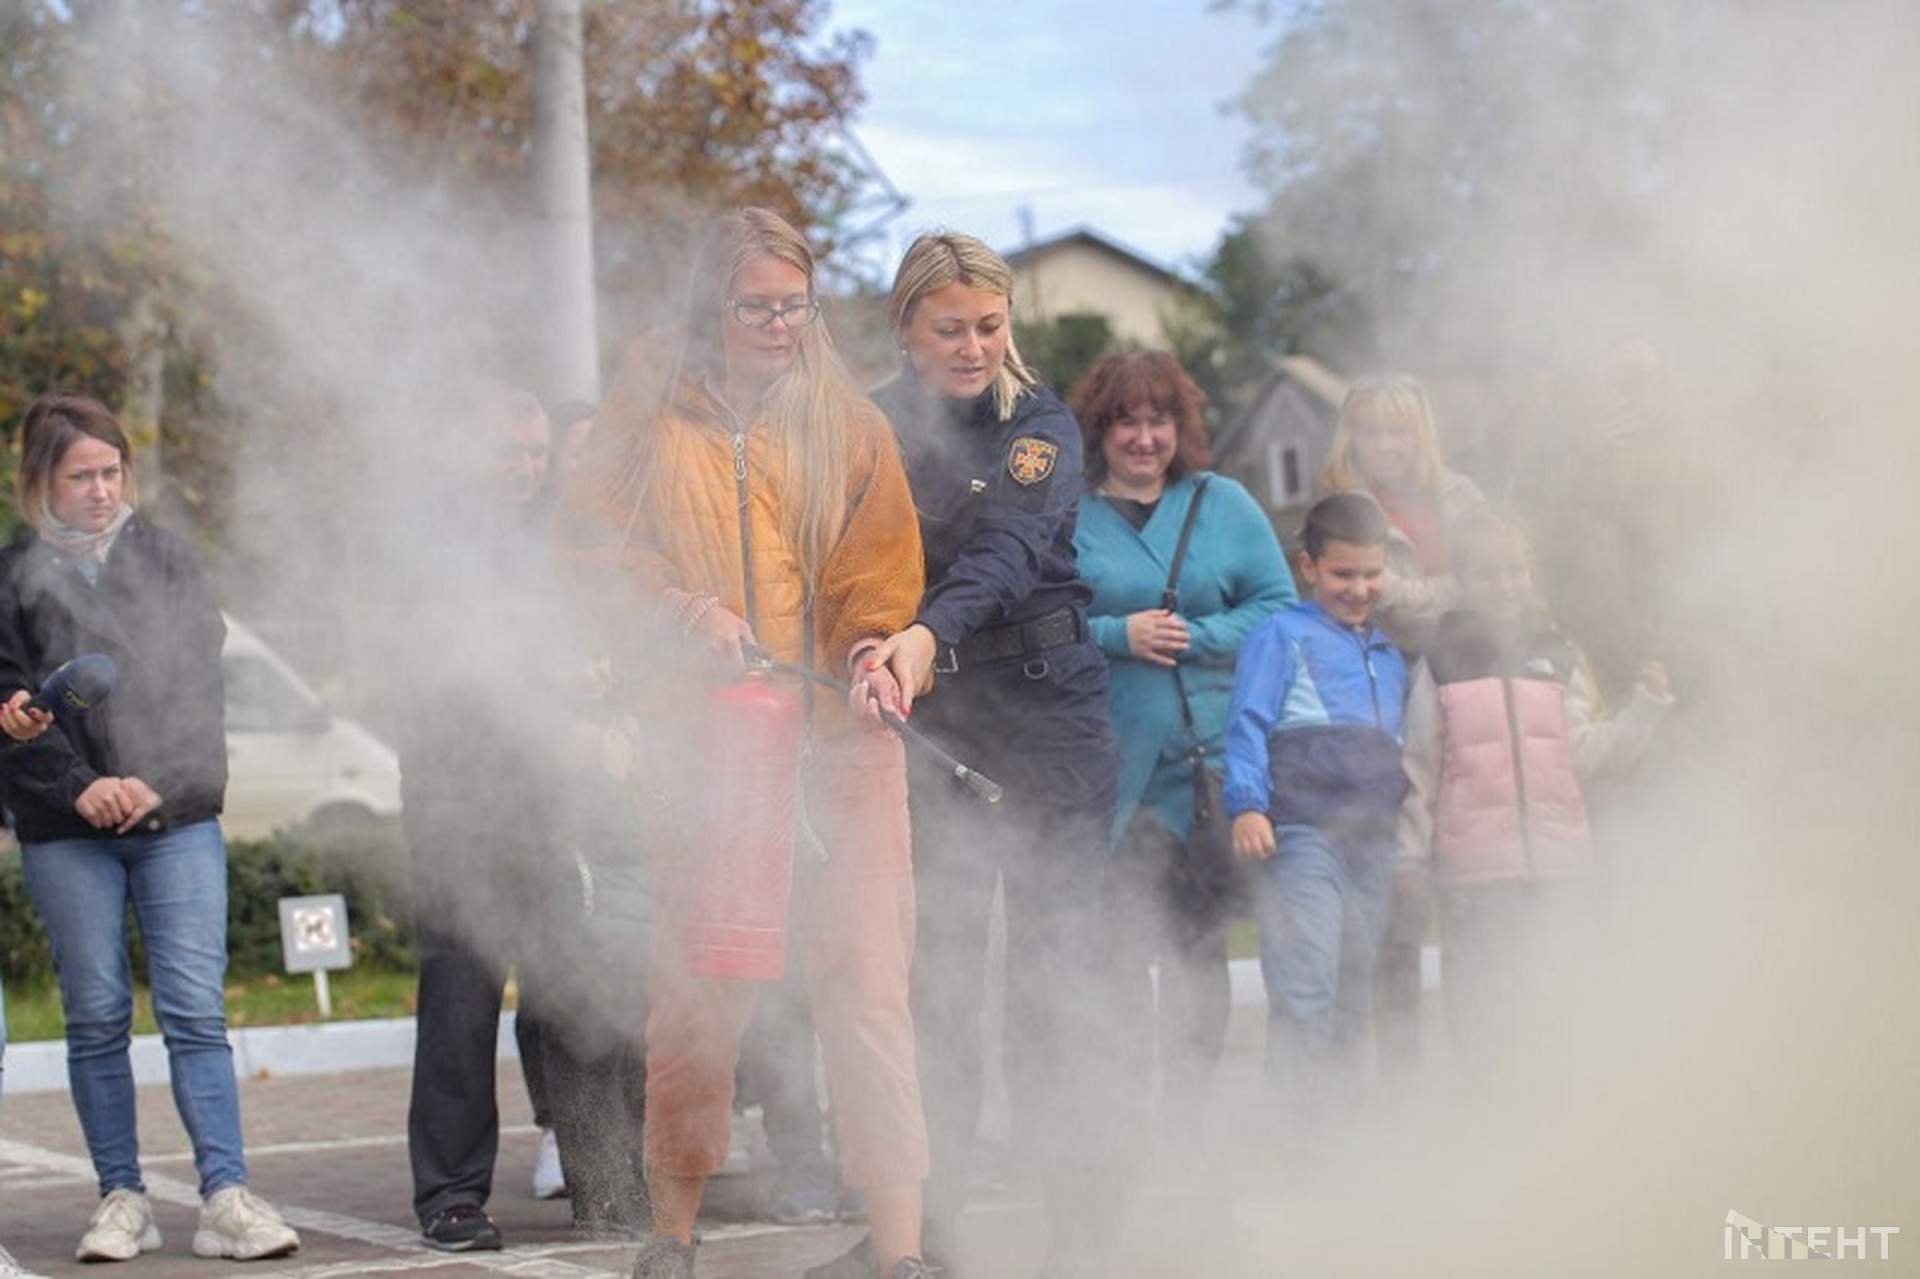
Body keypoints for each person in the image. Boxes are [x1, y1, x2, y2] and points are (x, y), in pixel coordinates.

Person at [564, 207, 932, 1279]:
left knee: (867, 992)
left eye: (794, 303)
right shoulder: (650, 409)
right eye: (755, 304)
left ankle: (900, 1253)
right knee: (696, 993)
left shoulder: (848, 419)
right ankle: (669, 1238)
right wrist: (684, 614)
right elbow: (591, 551)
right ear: (708, 305)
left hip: (843, 749)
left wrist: (872, 650)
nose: (778, 323)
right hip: (707, 748)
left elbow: (881, 566)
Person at [863, 231, 1125, 1277]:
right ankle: (931, 1241)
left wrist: (926, 636)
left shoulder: (1040, 424)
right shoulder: (869, 426)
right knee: (942, 988)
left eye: (989, 325)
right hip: (941, 724)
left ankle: (1084, 1235)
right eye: (949, 329)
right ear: (907, 329)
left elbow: (1009, 552)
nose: (973, 347)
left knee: (1053, 986)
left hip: (1050, 717)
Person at [0, 392, 300, 1263]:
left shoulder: (169, 559)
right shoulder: (9, 577)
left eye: (111, 471)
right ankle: (121, 1197)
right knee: (94, 1015)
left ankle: (227, 1196)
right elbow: (14, 711)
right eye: (79, 476)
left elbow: (199, 695)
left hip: (176, 817)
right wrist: (76, 784)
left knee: (195, 1013)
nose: (101, 490)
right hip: (66, 832)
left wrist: (149, 782)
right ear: (40, 483)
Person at [1069, 351, 1294, 1135]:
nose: (1143, 436)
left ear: (1180, 426)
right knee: (1120, 960)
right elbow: (1042, 622)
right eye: (1125, 419)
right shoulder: (1067, 514)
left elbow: (1277, 605)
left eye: (1158, 418)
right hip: (1114, 778)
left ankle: (1187, 1131)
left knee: (1200, 957)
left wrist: (1196, 635)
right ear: (1099, 428)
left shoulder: (1222, 502)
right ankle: (1123, 1131)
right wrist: (1115, 632)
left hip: (1204, 772)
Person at [400, 386, 592, 1252]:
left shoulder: (564, 538)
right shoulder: (427, 543)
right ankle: (449, 1194)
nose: (522, 470)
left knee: (573, 988)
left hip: (558, 797)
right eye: (506, 454)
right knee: (461, 998)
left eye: (534, 455)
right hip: (458, 799)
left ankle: (601, 1172)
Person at [1398, 512, 1671, 1067]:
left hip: (1557, 870)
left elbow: (1585, 753)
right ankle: (1487, 1119)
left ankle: (1551, 1123)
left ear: (1532, 574)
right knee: (1481, 1015)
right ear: (1463, 581)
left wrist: (1645, 710)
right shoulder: (1440, 662)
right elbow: (1418, 766)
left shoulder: (1562, 655)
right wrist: (1408, 856)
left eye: (1513, 571)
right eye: (1487, 573)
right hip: (1474, 877)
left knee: (1555, 1008)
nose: (1503, 585)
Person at [1319, 373, 1490, 1073]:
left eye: (1397, 429)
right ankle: (1401, 1083)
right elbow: (1374, 602)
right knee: (1396, 903)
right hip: (1378, 712)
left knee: (1478, 905)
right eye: (1369, 429)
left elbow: (1501, 581)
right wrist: (1456, 595)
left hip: (1469, 704)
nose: (1383, 444)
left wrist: (1423, 596)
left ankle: (1486, 1072)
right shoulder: (1342, 507)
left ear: (1420, 432)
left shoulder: (1463, 497)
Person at [1223, 492, 1410, 1128]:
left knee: (1355, 996)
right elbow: (1247, 722)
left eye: (1371, 574)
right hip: (1303, 838)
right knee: (1307, 990)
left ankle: (1341, 1139)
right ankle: (1296, 1141)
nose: (1359, 589)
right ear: (1309, 567)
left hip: (1373, 844)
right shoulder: (1281, 635)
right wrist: (1248, 805)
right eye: (1342, 574)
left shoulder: (1387, 654)